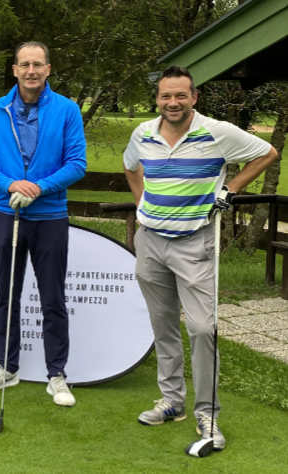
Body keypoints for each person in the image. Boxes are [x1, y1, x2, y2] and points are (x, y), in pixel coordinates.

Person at [124, 65, 278, 450]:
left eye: (180, 95)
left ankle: (207, 412)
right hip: (151, 242)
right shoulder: (142, 133)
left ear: (193, 97)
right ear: (157, 99)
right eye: (165, 96)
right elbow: (130, 167)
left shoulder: (216, 131)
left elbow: (268, 152)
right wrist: (141, 203)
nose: (172, 103)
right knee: (163, 326)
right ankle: (172, 402)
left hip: (195, 243)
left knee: (202, 329)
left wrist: (231, 187)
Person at [0, 41, 86, 406]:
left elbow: (76, 163)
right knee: (7, 294)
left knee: (53, 297)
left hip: (50, 216)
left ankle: (57, 374)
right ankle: (7, 366)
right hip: (6, 214)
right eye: (25, 64)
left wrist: (39, 187)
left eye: (38, 64)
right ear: (15, 70)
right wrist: (9, 184)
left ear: (48, 70)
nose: (31, 71)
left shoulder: (67, 110)